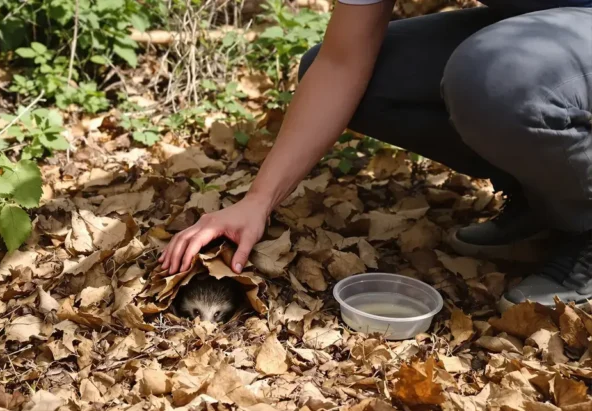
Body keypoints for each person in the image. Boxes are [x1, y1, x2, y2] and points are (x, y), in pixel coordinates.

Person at [159, 0, 592, 309]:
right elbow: (341, 62)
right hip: (540, 25)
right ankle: (547, 196)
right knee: (366, 81)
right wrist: (257, 201)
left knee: (497, 78)